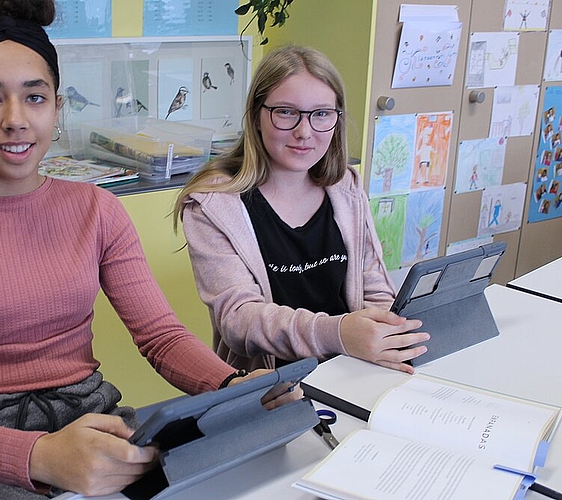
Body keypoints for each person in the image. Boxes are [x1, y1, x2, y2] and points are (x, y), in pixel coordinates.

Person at [0, 1, 298, 498]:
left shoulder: (96, 210)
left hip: (88, 419)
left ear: (57, 105)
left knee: (235, 468)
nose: (15, 120)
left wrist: (233, 388)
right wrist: (39, 455)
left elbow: (160, 337)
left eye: (35, 97)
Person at [173, 45, 430, 376]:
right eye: (286, 112)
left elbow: (375, 288)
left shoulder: (345, 187)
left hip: (356, 369)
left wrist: (390, 334)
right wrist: (337, 333)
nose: (304, 131)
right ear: (256, 116)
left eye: (321, 114)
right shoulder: (213, 202)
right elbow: (239, 321)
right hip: (272, 386)